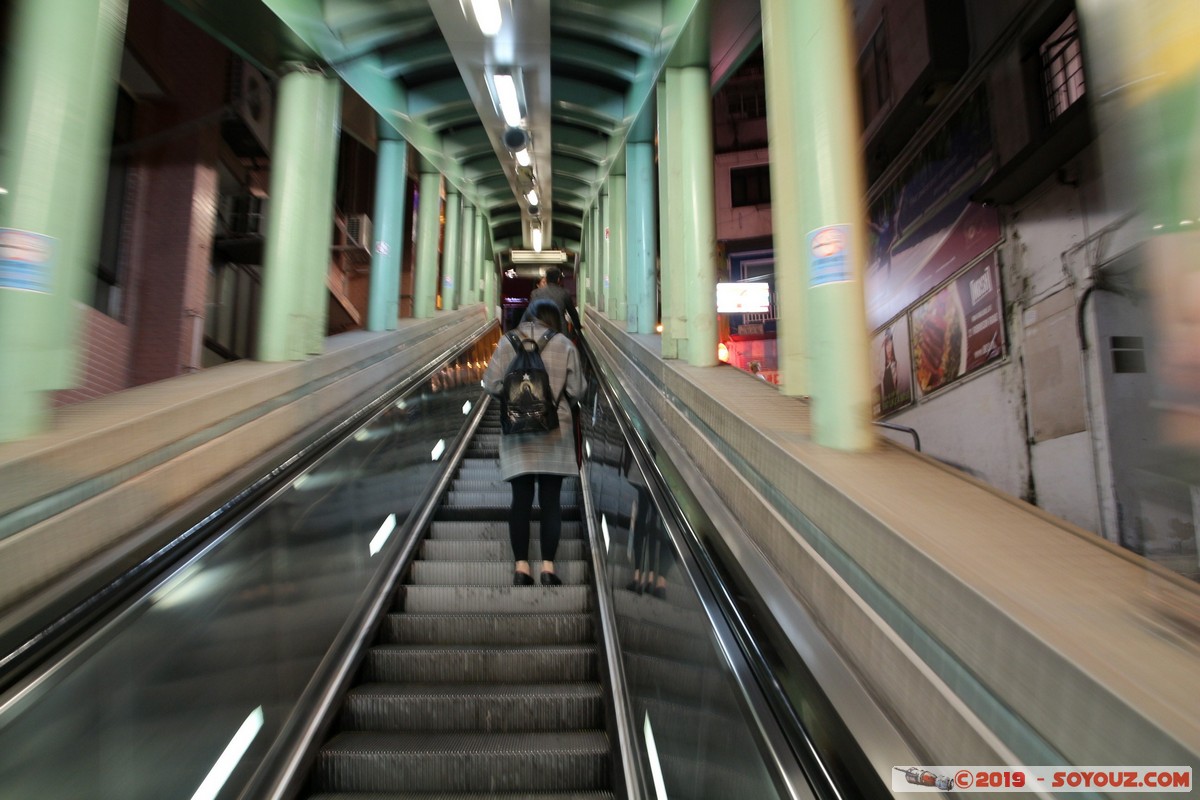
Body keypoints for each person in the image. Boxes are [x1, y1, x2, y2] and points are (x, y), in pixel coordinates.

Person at [483, 299, 586, 586]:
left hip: (517, 434)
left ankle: (521, 568)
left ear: (528, 316)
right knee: (551, 502)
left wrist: (515, 401)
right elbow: (578, 389)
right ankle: (548, 569)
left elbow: (490, 384)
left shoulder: (507, 342)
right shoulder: (565, 344)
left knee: (521, 501)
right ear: (554, 319)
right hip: (556, 431)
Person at [529, 267, 581, 333]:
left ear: (547, 279)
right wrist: (578, 327)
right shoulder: (564, 293)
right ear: (558, 279)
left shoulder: (535, 293)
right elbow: (573, 313)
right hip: (560, 331)